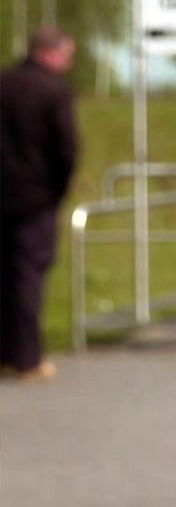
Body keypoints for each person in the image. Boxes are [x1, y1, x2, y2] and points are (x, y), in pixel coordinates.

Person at [0, 27, 79, 383]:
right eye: (67, 56)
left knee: (4, 276)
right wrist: (58, 190)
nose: (68, 64)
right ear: (50, 52)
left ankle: (4, 353)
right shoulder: (53, 90)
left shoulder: (4, 83)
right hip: (36, 197)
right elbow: (66, 148)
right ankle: (27, 358)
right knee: (28, 275)